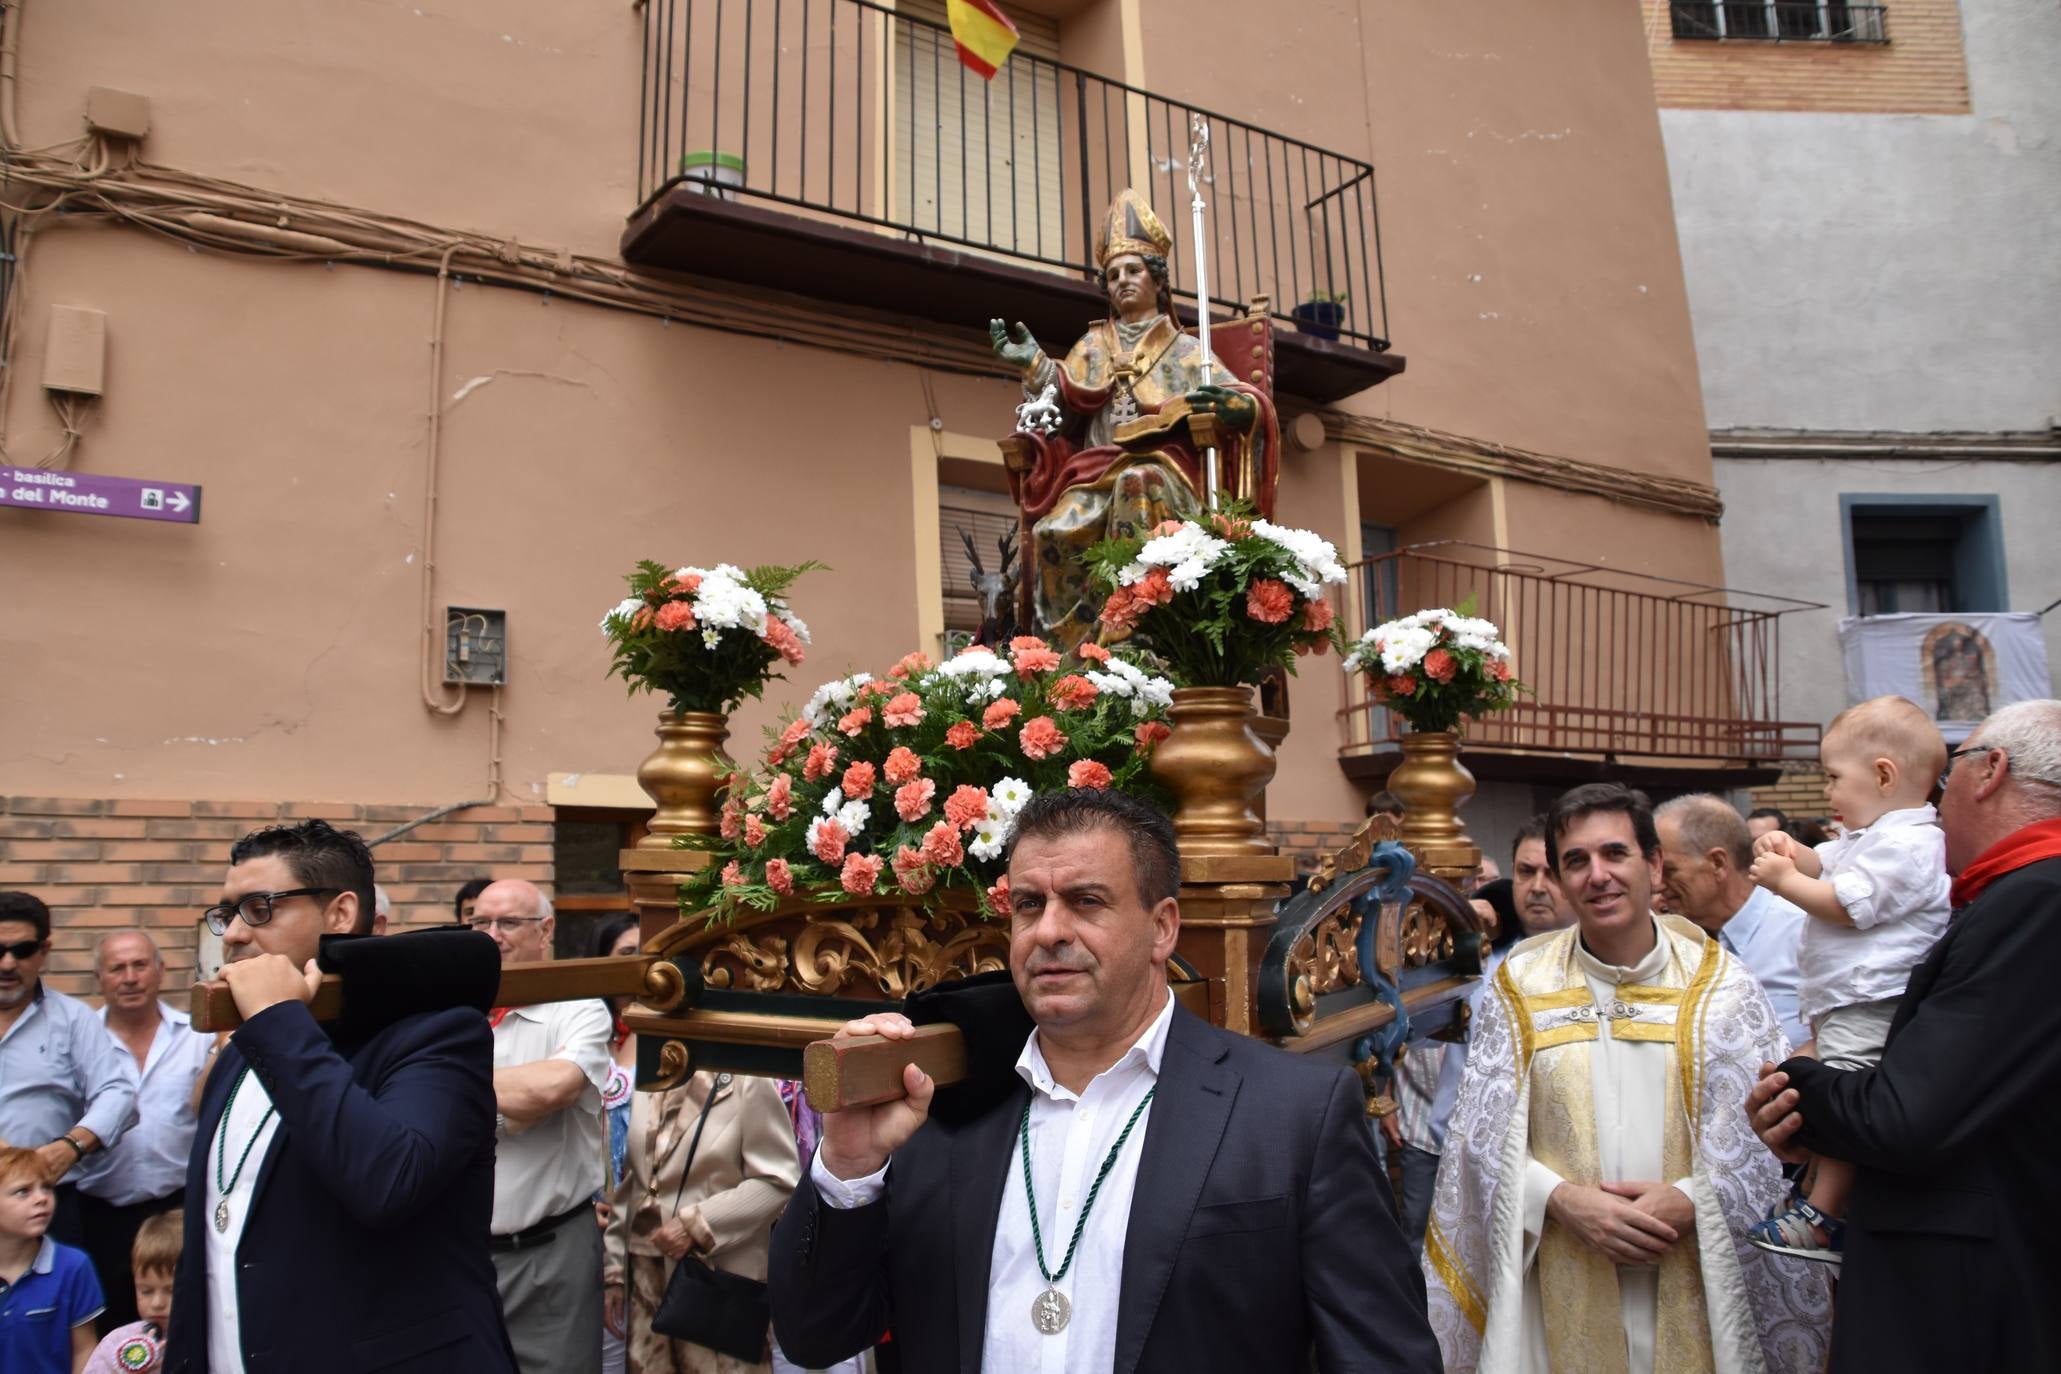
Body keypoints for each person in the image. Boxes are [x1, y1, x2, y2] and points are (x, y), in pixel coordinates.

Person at [770, 787, 1437, 1372]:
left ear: (1161, 928)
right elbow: (816, 1336)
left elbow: (1382, 1355)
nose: (1049, 931)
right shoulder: (941, 1112)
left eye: (1086, 901)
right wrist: (847, 1169)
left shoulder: (1292, 1115)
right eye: (1029, 905)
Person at [1423, 783, 1830, 1373]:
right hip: (1558, 1268)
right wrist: (1561, 1201)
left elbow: (1765, 1138)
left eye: (1615, 854)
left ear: (1654, 865)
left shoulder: (1722, 987)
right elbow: (1478, 1139)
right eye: (1577, 861)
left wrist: (1693, 1200)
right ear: (1561, 880)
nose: (1598, 875)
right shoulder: (1522, 984)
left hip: (1693, 1274)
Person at [1747, 698, 2061, 1371]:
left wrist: (1798, 1083)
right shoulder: (2010, 893)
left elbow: (1905, 1114)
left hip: (1967, 1298)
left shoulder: (2038, 899)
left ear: (1991, 771)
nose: (1936, 799)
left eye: (1950, 776)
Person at [165, 818, 515, 1373]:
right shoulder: (244, 1048)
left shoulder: (438, 1035)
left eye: (259, 908)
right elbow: (210, 1248)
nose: (231, 934)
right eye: (227, 913)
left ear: (341, 914)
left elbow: (389, 1182)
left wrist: (280, 1020)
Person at [992, 189, 1279, 649]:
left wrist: (1239, 408)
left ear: (1157, 280)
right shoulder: (1091, 347)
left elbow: (1239, 398)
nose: (1122, 280)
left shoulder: (1185, 349)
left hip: (1165, 474)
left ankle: (1138, 632)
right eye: (1113, 275)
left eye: (1134, 270)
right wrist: (1034, 366)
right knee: (1052, 529)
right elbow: (1064, 404)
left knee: (1137, 484)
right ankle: (1068, 658)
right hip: (1093, 471)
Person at [1744, 695, 1952, 1264]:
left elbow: (1844, 904)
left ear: (1884, 775)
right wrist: (1791, 852)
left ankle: (1825, 1214)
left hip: (1876, 999)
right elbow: (1825, 865)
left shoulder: (1911, 845)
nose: (1830, 794)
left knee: (1846, 1093)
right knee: (1822, 1082)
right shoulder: (1874, 837)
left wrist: (1784, 881)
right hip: (1849, 998)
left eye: (1835, 778)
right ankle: (1814, 1196)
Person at [470, 879, 613, 1374]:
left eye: (508, 922)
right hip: (460, 1257)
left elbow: (550, 1090)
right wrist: (508, 1097)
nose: (492, 935)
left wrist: (446, 1090)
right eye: (479, 923)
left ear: (546, 930)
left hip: (550, 1255)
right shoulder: (448, 1011)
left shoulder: (578, 1007)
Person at [604, 1069, 802, 1373]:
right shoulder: (655, 1067)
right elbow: (635, 1180)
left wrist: (698, 1224)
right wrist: (615, 1271)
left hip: (713, 1289)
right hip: (646, 1286)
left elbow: (779, 1181)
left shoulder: (746, 1078)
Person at [71, 932, 210, 1334]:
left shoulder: (196, 1037)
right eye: (117, 968)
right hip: (100, 1216)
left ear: (161, 971)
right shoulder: (79, 1041)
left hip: (176, 1209)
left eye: (139, 965)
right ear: (100, 977)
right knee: (108, 1328)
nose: (129, 978)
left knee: (183, 1323)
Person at [0, 892, 138, 1251]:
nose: (7, 963)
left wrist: (71, 1146)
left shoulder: (72, 1018)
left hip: (46, 1203)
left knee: (57, 1302)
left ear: (44, 950)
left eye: (22, 950)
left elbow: (118, 1094)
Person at [1654, 795, 1810, 1048]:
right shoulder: (1672, 942)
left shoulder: (1801, 931)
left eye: (1669, 870)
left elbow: (1847, 1035)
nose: (1658, 884)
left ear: (1717, 863)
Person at [0, 1144, 103, 1372]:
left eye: (47, 1187)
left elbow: (84, 1350)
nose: (41, 1198)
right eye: (23, 1191)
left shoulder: (74, 1266)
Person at [593, 915, 640, 1374]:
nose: (641, 964)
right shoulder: (583, 1035)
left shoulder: (682, 1039)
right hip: (596, 1226)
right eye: (627, 954)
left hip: (659, 1222)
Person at [82, 1208, 181, 1374]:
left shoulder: (213, 1340)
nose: (157, 1303)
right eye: (146, 1291)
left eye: (171, 1291)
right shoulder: (116, 1343)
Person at [1508, 816, 1577, 936]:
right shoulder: (1483, 949)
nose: (1537, 888)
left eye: (1553, 874)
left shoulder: (1608, 952)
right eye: (1527, 871)